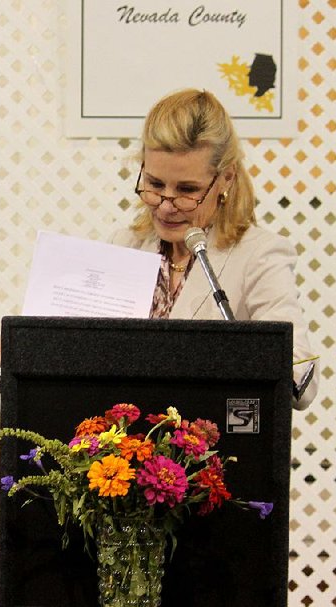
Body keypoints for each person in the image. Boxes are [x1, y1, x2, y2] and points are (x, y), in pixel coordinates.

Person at [111, 88, 318, 408]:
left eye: (187, 190)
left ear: (226, 179)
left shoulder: (259, 255)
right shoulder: (122, 247)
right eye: (154, 185)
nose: (166, 206)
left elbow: (301, 372)